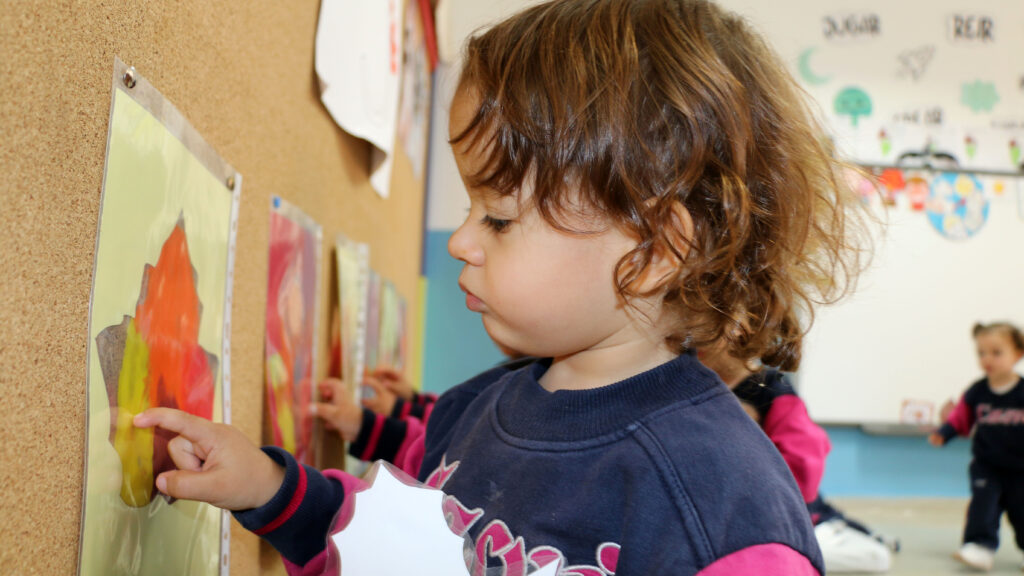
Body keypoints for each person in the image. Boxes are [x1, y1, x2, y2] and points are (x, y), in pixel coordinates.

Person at [133, 1, 865, 573]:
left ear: (654, 248)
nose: (459, 241)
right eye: (467, 208)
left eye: (501, 217)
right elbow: (390, 546)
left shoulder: (722, 503)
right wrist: (267, 488)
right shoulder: (472, 411)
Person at [699, 349, 896, 573]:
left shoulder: (771, 389)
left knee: (876, 558)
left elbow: (804, 472)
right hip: (716, 513)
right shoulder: (687, 384)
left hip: (772, 512)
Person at [929, 322, 1024, 572]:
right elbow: (960, 417)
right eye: (981, 353)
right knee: (983, 504)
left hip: (1021, 468)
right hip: (987, 465)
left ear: (1018, 354)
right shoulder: (977, 391)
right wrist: (944, 433)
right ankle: (980, 546)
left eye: (996, 352)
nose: (987, 359)